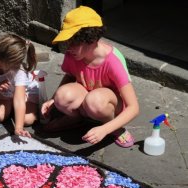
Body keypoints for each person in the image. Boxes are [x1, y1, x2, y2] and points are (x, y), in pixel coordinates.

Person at [41, 6, 139, 147]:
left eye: (75, 42)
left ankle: (115, 127)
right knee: (61, 96)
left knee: (95, 101)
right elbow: (69, 75)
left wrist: (104, 130)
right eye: (68, 41)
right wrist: (53, 100)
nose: (69, 47)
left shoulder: (112, 61)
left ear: (91, 39)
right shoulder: (72, 54)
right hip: (87, 97)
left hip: (108, 104)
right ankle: (75, 119)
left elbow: (134, 107)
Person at [0, 33, 39, 138]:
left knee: (27, 120)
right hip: (4, 89)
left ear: (13, 64)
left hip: (24, 92)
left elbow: (19, 100)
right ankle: (12, 107)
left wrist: (18, 128)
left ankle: (20, 110)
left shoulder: (19, 72)